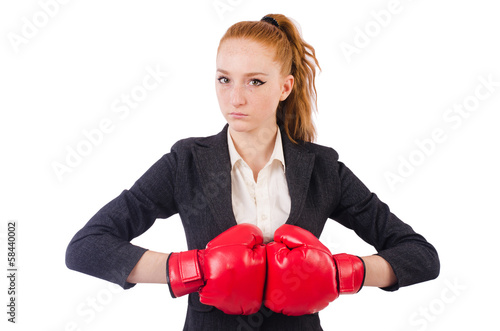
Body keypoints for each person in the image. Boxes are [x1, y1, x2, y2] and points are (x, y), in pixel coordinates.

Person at [66, 14, 440, 330]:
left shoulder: (323, 169)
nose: (235, 98)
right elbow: (86, 248)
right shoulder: (187, 162)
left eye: (255, 81)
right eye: (224, 79)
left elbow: (421, 256)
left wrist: (343, 274)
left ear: (285, 87)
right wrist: (191, 269)